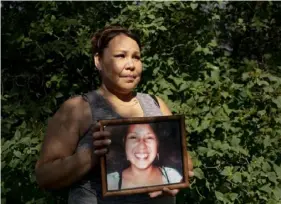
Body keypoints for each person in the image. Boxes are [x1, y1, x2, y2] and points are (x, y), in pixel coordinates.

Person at [35, 25, 194, 204]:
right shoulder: (78, 109)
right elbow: (44, 176)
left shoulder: (156, 104)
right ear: (98, 61)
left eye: (136, 57)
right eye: (121, 56)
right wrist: (90, 156)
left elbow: (186, 164)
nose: (131, 65)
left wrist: (174, 179)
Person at [107, 123, 183, 191]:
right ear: (125, 143)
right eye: (133, 137)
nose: (142, 145)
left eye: (149, 137)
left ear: (157, 144)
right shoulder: (111, 182)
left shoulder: (172, 176)